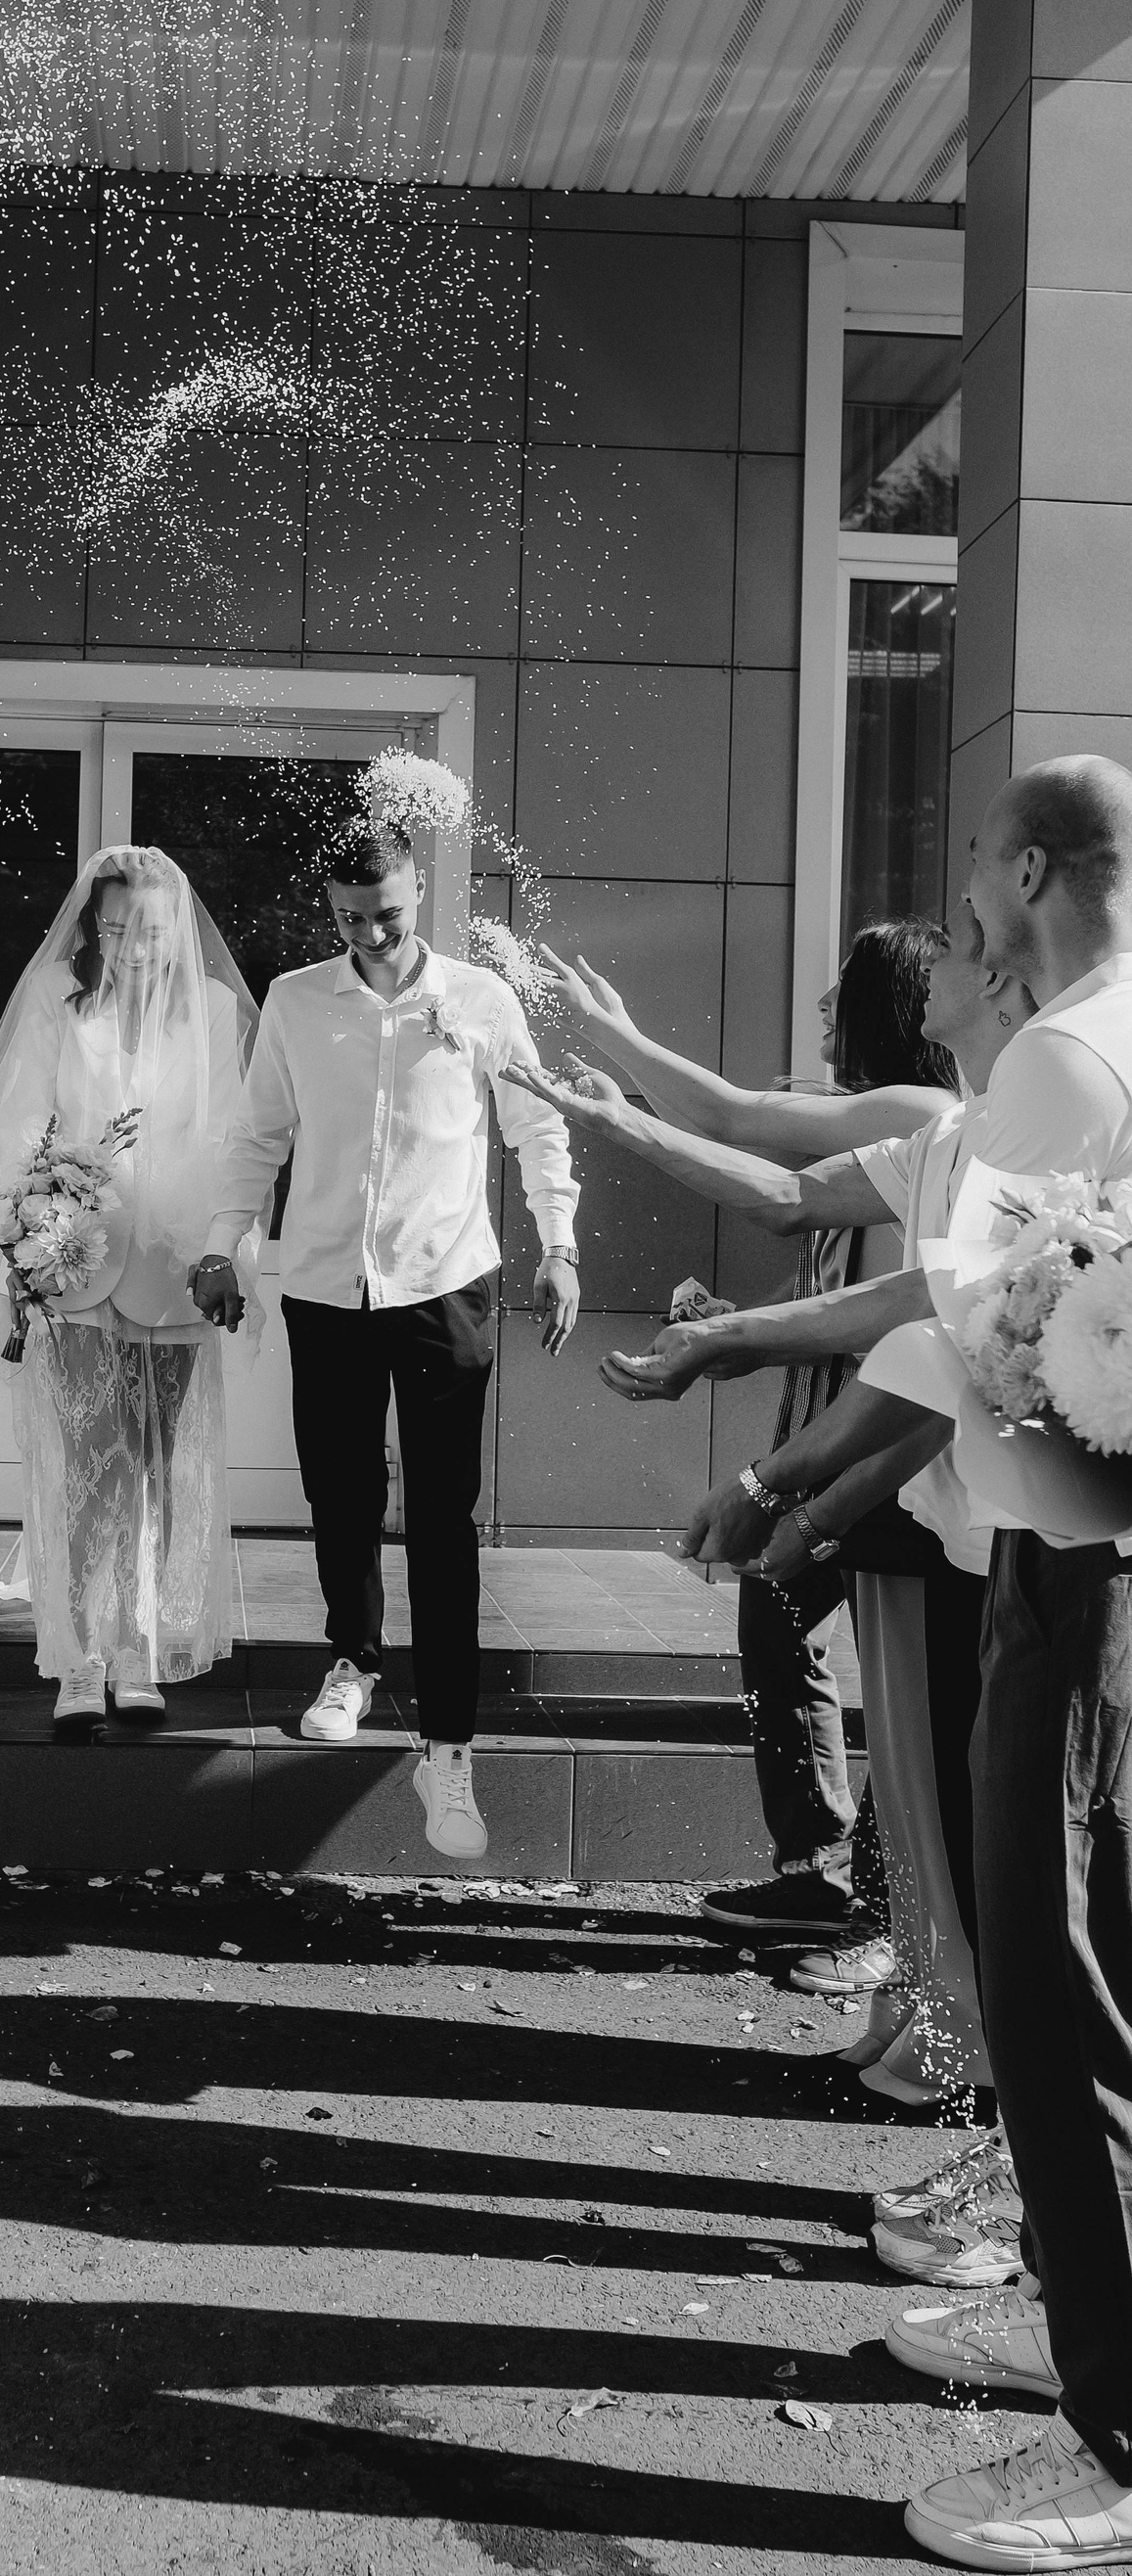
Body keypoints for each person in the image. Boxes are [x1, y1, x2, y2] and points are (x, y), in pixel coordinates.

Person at [671, 757, 1132, 2565]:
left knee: (1053, 1973)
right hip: (1083, 1547)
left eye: (975, 878)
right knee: (1077, 1965)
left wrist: (776, 1472)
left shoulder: (1066, 1058)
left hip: (1073, 1563)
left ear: (1032, 874)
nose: (963, 915)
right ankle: (1083, 2325)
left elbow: (956, 1323)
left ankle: (1114, 2434)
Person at [510, 897, 1030, 2125]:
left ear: (1004, 987)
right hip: (918, 1490)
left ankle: (963, 2041)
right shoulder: (946, 1129)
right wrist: (619, 1100)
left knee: (954, 1790)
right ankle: (930, 1999)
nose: (941, 966)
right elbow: (778, 1177)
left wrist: (788, 1479)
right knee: (916, 1769)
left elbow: (914, 1305)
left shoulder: (953, 1117)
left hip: (951, 1491)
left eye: (965, 945)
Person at [535, 918, 959, 1946]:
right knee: (781, 1615)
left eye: (842, 986)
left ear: (889, 1004)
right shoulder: (890, 1127)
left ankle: (879, 1917)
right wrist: (735, 1326)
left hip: (891, 1433)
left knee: (903, 1690)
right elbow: (809, 1240)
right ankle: (822, 1874)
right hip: (834, 1413)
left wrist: (616, 1046)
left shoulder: (924, 1111)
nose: (822, 1003)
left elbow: (745, 1131)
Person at [192, 820, 580, 1860]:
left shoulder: (480, 1000)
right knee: (342, 1490)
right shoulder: (295, 1001)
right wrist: (224, 1246)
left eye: (388, 915)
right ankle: (354, 1663)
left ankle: (449, 1744)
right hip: (326, 1284)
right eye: (350, 918)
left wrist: (560, 1243)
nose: (370, 933)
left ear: (418, 892)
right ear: (330, 907)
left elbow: (536, 1126)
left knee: (443, 1515)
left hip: (446, 1282)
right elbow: (257, 1137)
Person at [0, 847, 260, 1727]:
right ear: (95, 925)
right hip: (76, 1260)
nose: (135, 948)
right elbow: (16, 1126)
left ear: (178, 932)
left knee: (157, 1469)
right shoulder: (61, 1003)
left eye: (153, 931)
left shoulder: (213, 1010)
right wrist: (33, 1225)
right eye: (118, 928)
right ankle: (82, 1658)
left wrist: (225, 1254)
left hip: (176, 1269)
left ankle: (139, 1650)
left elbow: (231, 1141)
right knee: (91, 1466)